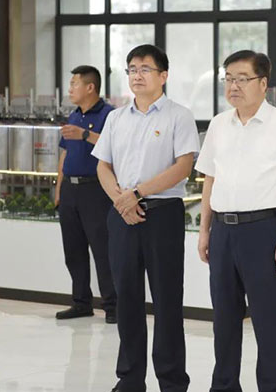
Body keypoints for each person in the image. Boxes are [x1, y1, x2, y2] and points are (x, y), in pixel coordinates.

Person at [195, 50, 276, 392]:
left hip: (263, 232)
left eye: (242, 79)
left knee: (266, 319)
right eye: (228, 79)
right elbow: (210, 178)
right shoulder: (218, 124)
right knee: (224, 319)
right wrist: (204, 230)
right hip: (222, 232)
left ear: (263, 83)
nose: (233, 86)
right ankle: (224, 386)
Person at [92, 44, 199, 392]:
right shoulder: (116, 118)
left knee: (167, 301)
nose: (137, 75)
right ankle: (130, 379)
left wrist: (136, 194)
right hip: (122, 215)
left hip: (162, 215)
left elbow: (183, 167)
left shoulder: (179, 116)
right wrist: (121, 201)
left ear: (163, 76)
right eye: (132, 69)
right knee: (127, 299)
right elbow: (103, 165)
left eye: (145, 69)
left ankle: (172, 381)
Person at [55, 65, 117, 324]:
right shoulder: (73, 115)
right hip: (70, 190)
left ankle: (113, 306)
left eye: (74, 84)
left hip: (96, 190)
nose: (70, 89)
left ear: (90, 87)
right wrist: (59, 189)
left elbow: (114, 145)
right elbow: (65, 153)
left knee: (103, 250)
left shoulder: (109, 115)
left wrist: (85, 134)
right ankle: (81, 302)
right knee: (74, 250)